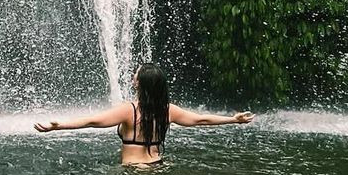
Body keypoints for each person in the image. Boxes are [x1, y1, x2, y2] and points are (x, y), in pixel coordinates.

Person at [33, 62, 255, 165]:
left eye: (135, 75)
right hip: (159, 166)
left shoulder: (128, 110)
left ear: (139, 84)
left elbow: (92, 121)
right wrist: (233, 120)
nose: (133, 77)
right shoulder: (167, 110)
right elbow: (200, 119)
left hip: (133, 173)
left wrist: (59, 126)